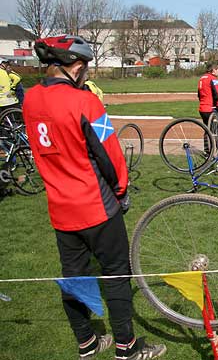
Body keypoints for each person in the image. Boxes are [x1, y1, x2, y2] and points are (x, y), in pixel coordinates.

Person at [22, 35, 166, 360]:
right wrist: (121, 191)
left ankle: (86, 342)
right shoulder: (84, 101)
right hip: (96, 204)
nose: (86, 74)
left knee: (74, 276)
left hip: (59, 208)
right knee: (116, 273)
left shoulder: (29, 100)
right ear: (74, 66)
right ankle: (126, 348)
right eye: (85, 67)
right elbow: (110, 154)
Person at [197, 63, 218, 127]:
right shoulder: (213, 79)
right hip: (211, 108)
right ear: (214, 70)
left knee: (207, 128)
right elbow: (217, 94)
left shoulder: (201, 78)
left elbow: (199, 94)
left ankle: (207, 136)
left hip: (202, 108)